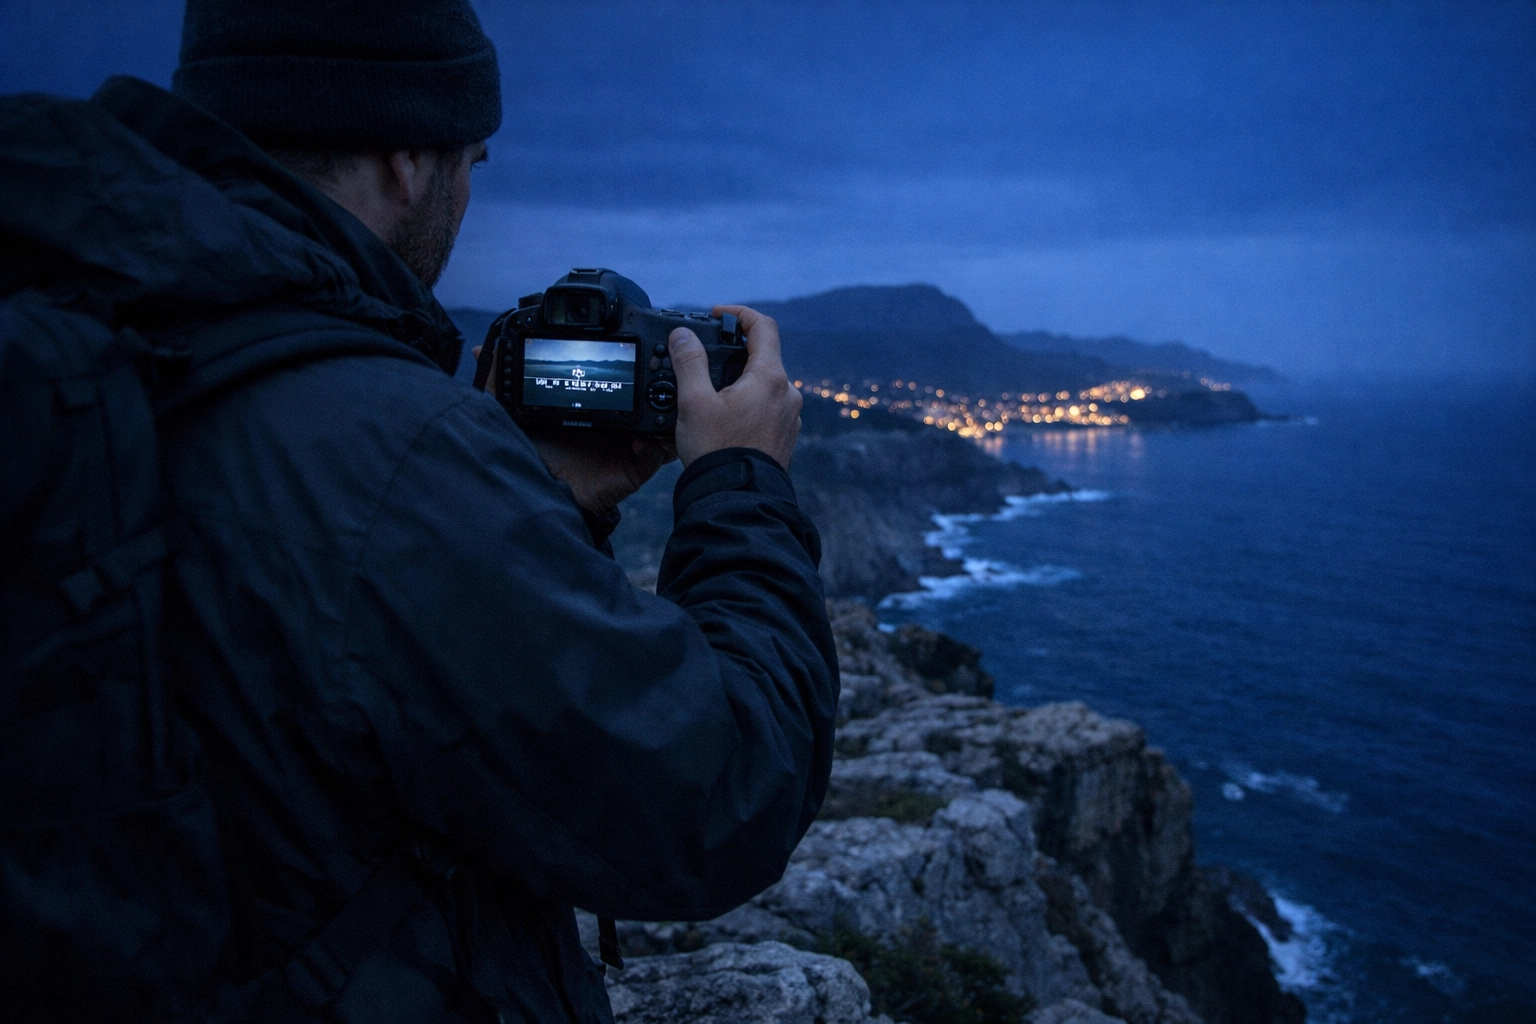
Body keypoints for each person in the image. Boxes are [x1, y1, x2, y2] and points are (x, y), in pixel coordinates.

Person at [2, 0, 837, 1020]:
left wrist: (539, 508)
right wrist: (742, 484)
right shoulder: (389, 450)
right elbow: (717, 796)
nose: (467, 190)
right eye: (472, 161)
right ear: (409, 156)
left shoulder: (100, 322)